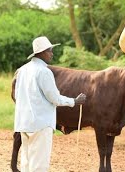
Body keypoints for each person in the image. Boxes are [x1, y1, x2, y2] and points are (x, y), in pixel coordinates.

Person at [13, 36, 86, 172]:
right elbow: (55, 99)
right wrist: (74, 101)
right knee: (39, 165)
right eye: (50, 50)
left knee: (26, 163)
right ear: (41, 52)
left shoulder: (22, 70)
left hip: (23, 123)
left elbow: (18, 96)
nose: (52, 54)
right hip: (41, 124)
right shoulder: (44, 72)